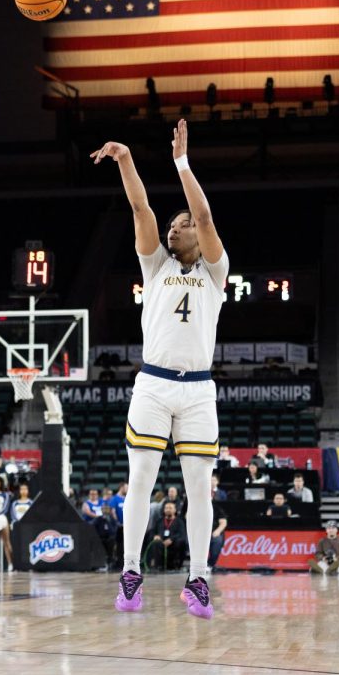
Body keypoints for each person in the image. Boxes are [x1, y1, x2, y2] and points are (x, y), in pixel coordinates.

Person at [94, 119, 229, 618]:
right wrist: (127, 159)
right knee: (141, 479)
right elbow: (140, 207)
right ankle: (131, 571)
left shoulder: (216, 268)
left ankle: (198, 580)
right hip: (152, 384)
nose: (175, 227)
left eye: (182, 223)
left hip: (197, 391)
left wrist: (181, 163)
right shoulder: (156, 265)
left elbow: (207, 218)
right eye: (173, 225)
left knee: (199, 490)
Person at [145, 501, 185, 571]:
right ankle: (158, 566)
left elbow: (182, 534)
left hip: (174, 543)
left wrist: (172, 539)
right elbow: (152, 531)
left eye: (170, 508)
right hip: (161, 543)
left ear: (175, 510)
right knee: (153, 541)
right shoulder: (159, 521)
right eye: (166, 508)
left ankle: (175, 565)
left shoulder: (180, 521)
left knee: (180, 542)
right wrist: (155, 536)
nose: (168, 509)